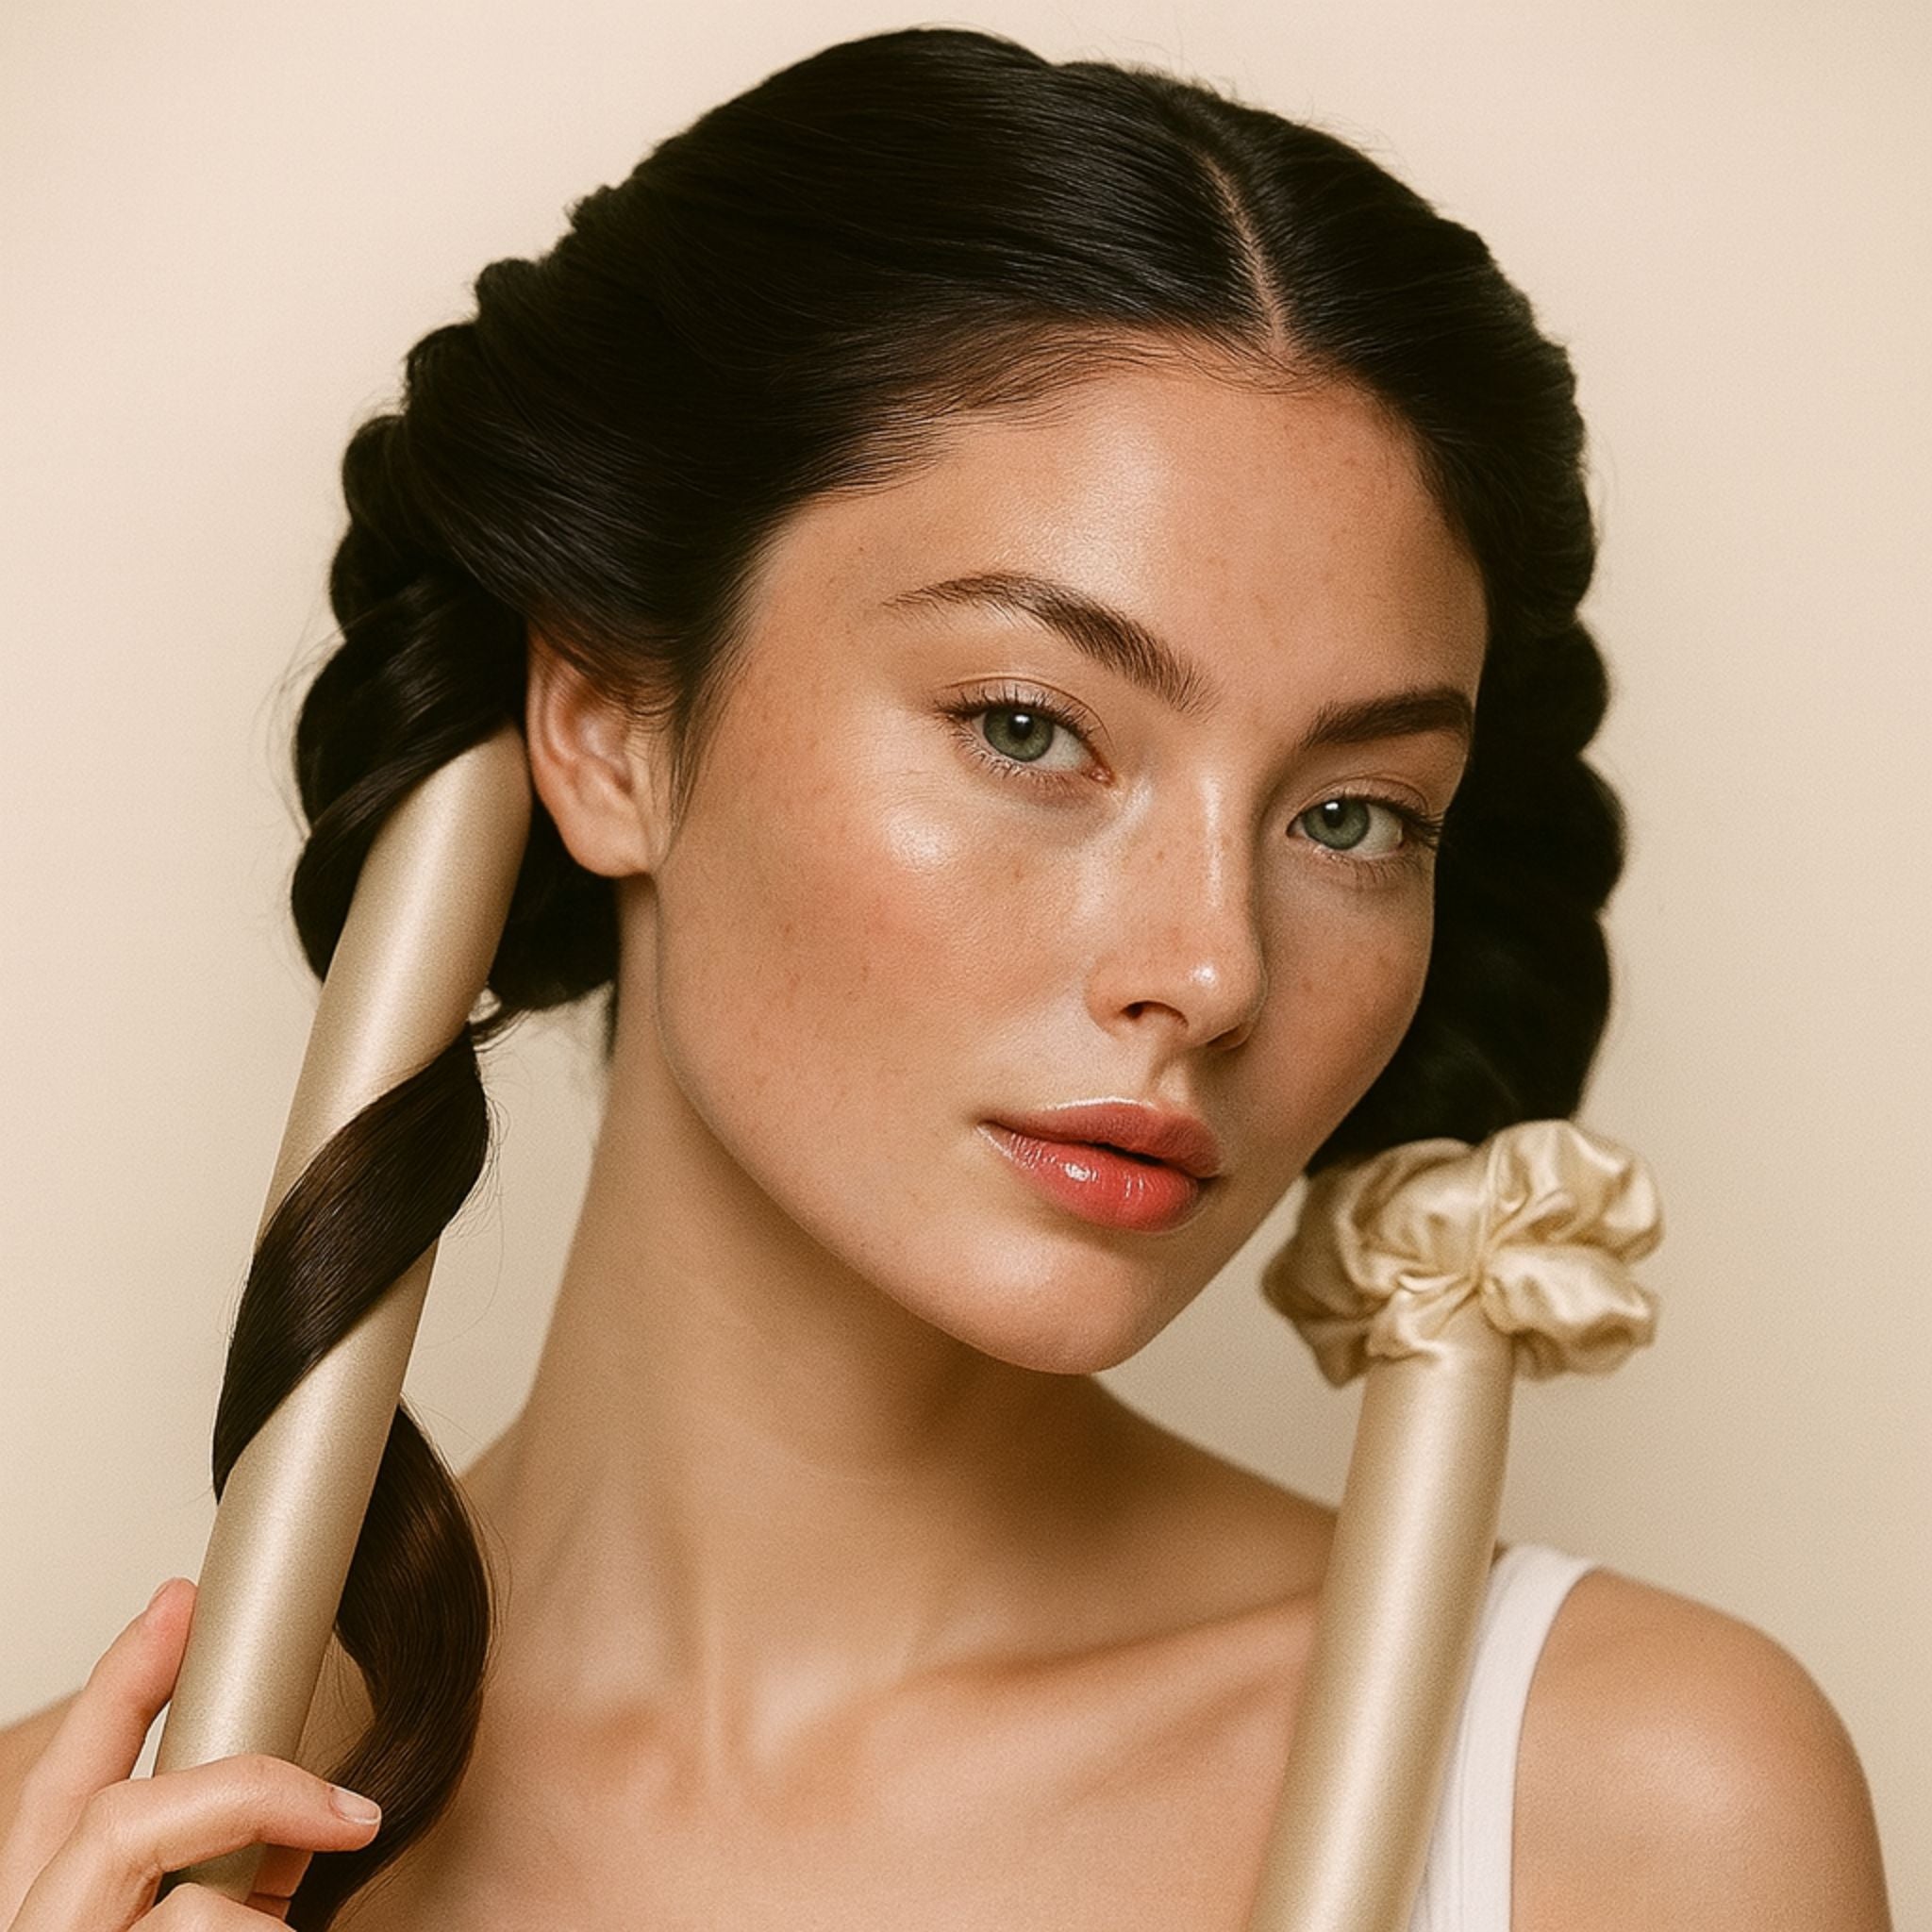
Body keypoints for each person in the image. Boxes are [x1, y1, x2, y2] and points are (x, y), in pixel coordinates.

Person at [0, 25, 1891, 1931]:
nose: (1210, 968)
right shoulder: (81, 1844)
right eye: (1026, 724)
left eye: (1350, 817)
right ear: (602, 722)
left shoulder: (1624, 1811)